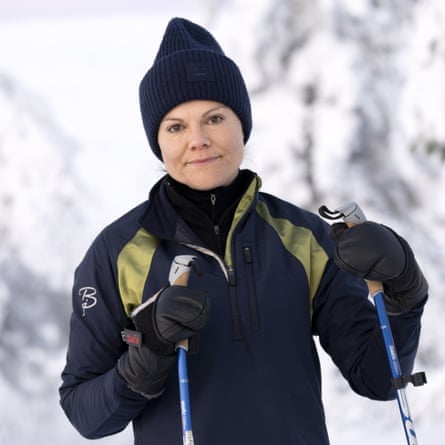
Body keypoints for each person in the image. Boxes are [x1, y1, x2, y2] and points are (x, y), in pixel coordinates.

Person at [59, 17, 428, 444]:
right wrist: (150, 351)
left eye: (214, 118)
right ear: (158, 141)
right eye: (176, 126)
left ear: (241, 124)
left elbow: (380, 378)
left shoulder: (304, 240)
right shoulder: (117, 253)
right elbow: (86, 414)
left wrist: (403, 288)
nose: (197, 139)